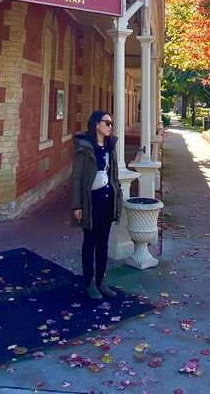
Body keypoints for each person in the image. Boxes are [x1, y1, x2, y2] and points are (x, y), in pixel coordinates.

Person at [71, 110, 122, 299]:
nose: (110, 126)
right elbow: (76, 178)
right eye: (107, 123)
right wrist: (77, 206)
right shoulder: (84, 148)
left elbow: (114, 175)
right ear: (96, 125)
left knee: (103, 244)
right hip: (91, 203)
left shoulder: (110, 147)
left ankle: (101, 281)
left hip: (108, 201)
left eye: (111, 123)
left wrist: (118, 196)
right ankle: (89, 282)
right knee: (89, 243)